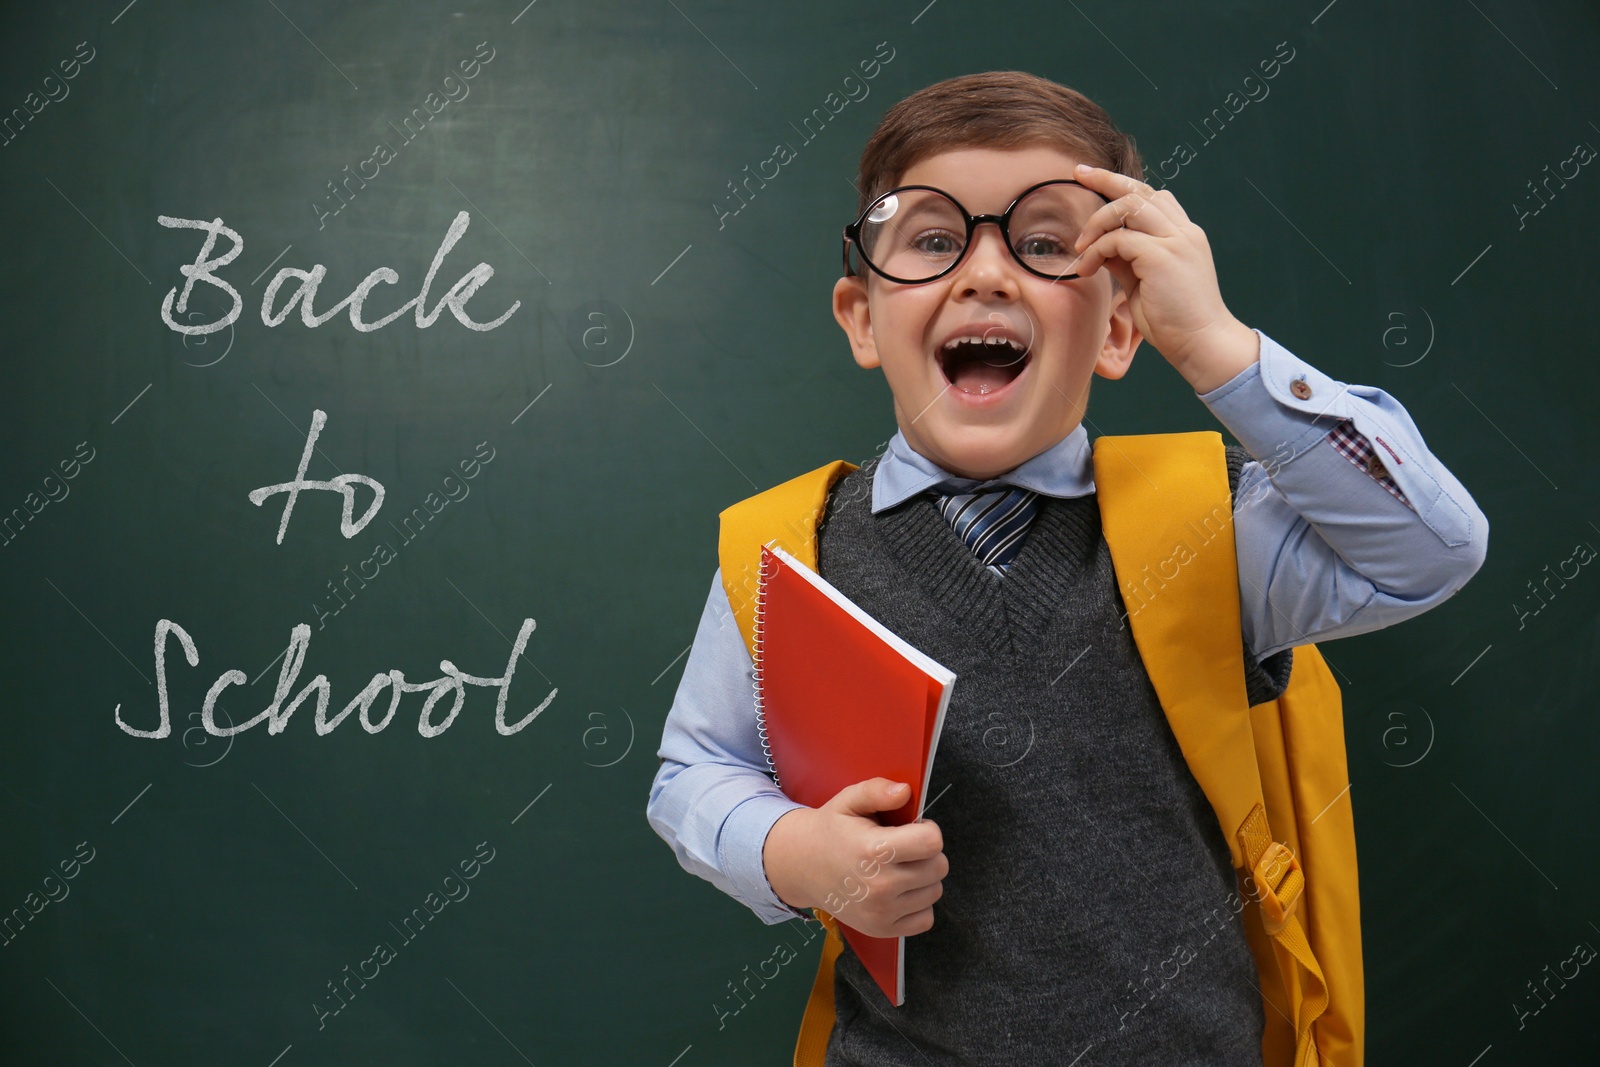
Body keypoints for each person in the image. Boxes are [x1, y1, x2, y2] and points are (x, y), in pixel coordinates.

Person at [647, 71, 1486, 1065]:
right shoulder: (790, 545)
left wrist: (1217, 346)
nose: (987, 272)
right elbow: (697, 771)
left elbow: (1430, 547)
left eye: (1045, 243)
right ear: (862, 317)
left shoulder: (1210, 523)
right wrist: (790, 853)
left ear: (1122, 327)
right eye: (929, 238)